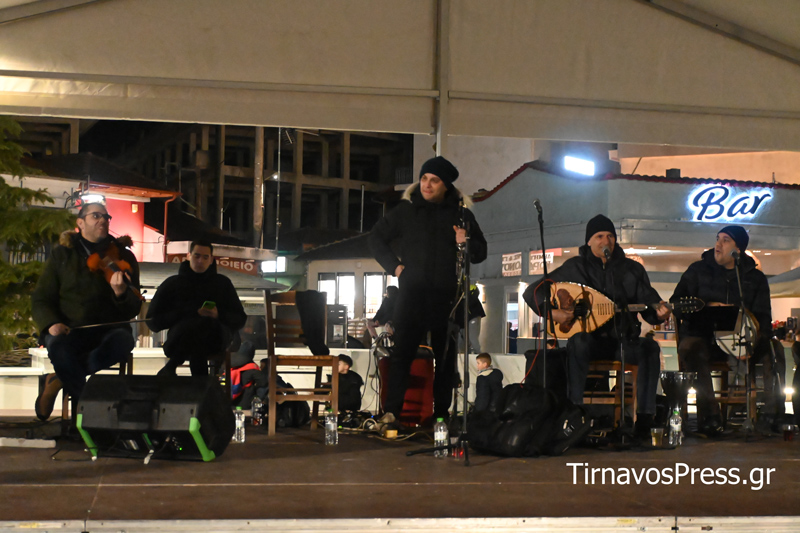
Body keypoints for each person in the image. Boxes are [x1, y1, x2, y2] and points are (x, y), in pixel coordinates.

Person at [523, 214, 670, 437]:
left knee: (650, 348)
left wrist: (660, 313)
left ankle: (645, 420)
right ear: (589, 241)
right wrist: (552, 313)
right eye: (599, 236)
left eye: (610, 236)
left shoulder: (631, 270)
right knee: (578, 341)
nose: (606, 241)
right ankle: (575, 414)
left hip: (623, 342)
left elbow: (649, 307)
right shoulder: (575, 267)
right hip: (590, 343)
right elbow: (532, 292)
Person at [369, 155, 487, 426]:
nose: (427, 184)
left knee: (445, 359)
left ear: (446, 185)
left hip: (447, 298)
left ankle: (441, 415)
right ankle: (392, 412)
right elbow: (375, 238)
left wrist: (466, 240)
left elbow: (481, 253)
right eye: (424, 178)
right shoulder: (406, 211)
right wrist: (396, 268)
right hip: (411, 295)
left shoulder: (461, 215)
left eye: (434, 180)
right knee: (402, 355)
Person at [31, 202, 142, 420]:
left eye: (106, 217)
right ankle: (86, 412)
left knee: (123, 342)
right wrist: (51, 323)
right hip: (69, 328)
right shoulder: (62, 255)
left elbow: (133, 307)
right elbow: (41, 297)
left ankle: (59, 380)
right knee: (59, 348)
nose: (103, 220)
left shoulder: (124, 257)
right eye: (96, 216)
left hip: (109, 330)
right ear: (80, 223)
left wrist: (121, 294)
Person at [670, 225, 783, 435]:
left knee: (773, 349)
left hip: (742, 340)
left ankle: (770, 415)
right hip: (703, 337)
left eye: (725, 240)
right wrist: (705, 308)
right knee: (690, 348)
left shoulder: (754, 278)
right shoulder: (697, 271)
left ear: (737, 250)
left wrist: (752, 343)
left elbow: (763, 318)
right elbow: (676, 303)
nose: (718, 244)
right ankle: (710, 417)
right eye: (718, 238)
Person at [146, 239, 247, 377]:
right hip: (180, 339)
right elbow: (153, 321)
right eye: (197, 256)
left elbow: (240, 319)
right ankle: (202, 382)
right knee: (199, 326)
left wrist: (218, 315)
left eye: (205, 257)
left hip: (213, 339)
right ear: (188, 256)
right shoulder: (172, 284)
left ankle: (173, 364)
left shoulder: (223, 284)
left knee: (203, 324)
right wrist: (190, 313)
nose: (200, 261)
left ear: (211, 260)